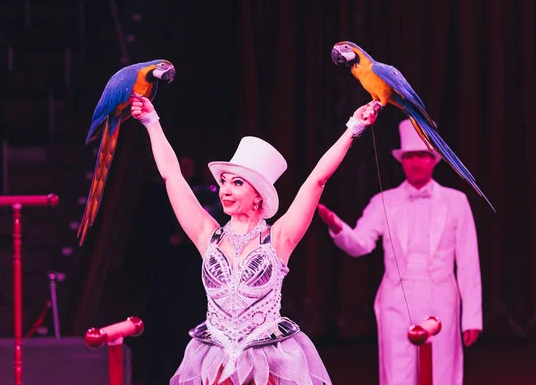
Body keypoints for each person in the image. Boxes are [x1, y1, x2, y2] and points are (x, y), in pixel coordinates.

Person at [130, 94, 382, 385]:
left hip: (267, 359)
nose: (225, 189)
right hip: (218, 358)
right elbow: (172, 176)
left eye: (237, 183)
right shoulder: (207, 234)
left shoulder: (279, 238)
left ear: (258, 195)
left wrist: (353, 128)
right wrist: (151, 122)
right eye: (223, 181)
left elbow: (316, 180)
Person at [317, 119, 483, 385]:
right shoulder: (385, 201)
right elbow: (361, 244)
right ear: (402, 160)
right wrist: (337, 226)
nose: (416, 162)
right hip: (396, 297)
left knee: (440, 372)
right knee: (398, 373)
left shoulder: (456, 202)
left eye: (422, 156)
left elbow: (468, 260)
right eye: (410, 156)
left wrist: (472, 317)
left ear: (433, 160)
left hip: (440, 297)